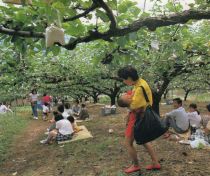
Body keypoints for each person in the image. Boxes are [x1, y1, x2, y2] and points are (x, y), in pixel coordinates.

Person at [118, 66, 160, 174]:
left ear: (129, 77)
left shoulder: (140, 88)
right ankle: (155, 162)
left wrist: (125, 101)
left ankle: (136, 165)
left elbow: (133, 107)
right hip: (141, 116)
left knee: (128, 143)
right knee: (144, 140)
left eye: (123, 79)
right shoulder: (140, 83)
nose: (123, 81)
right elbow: (133, 99)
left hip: (136, 118)